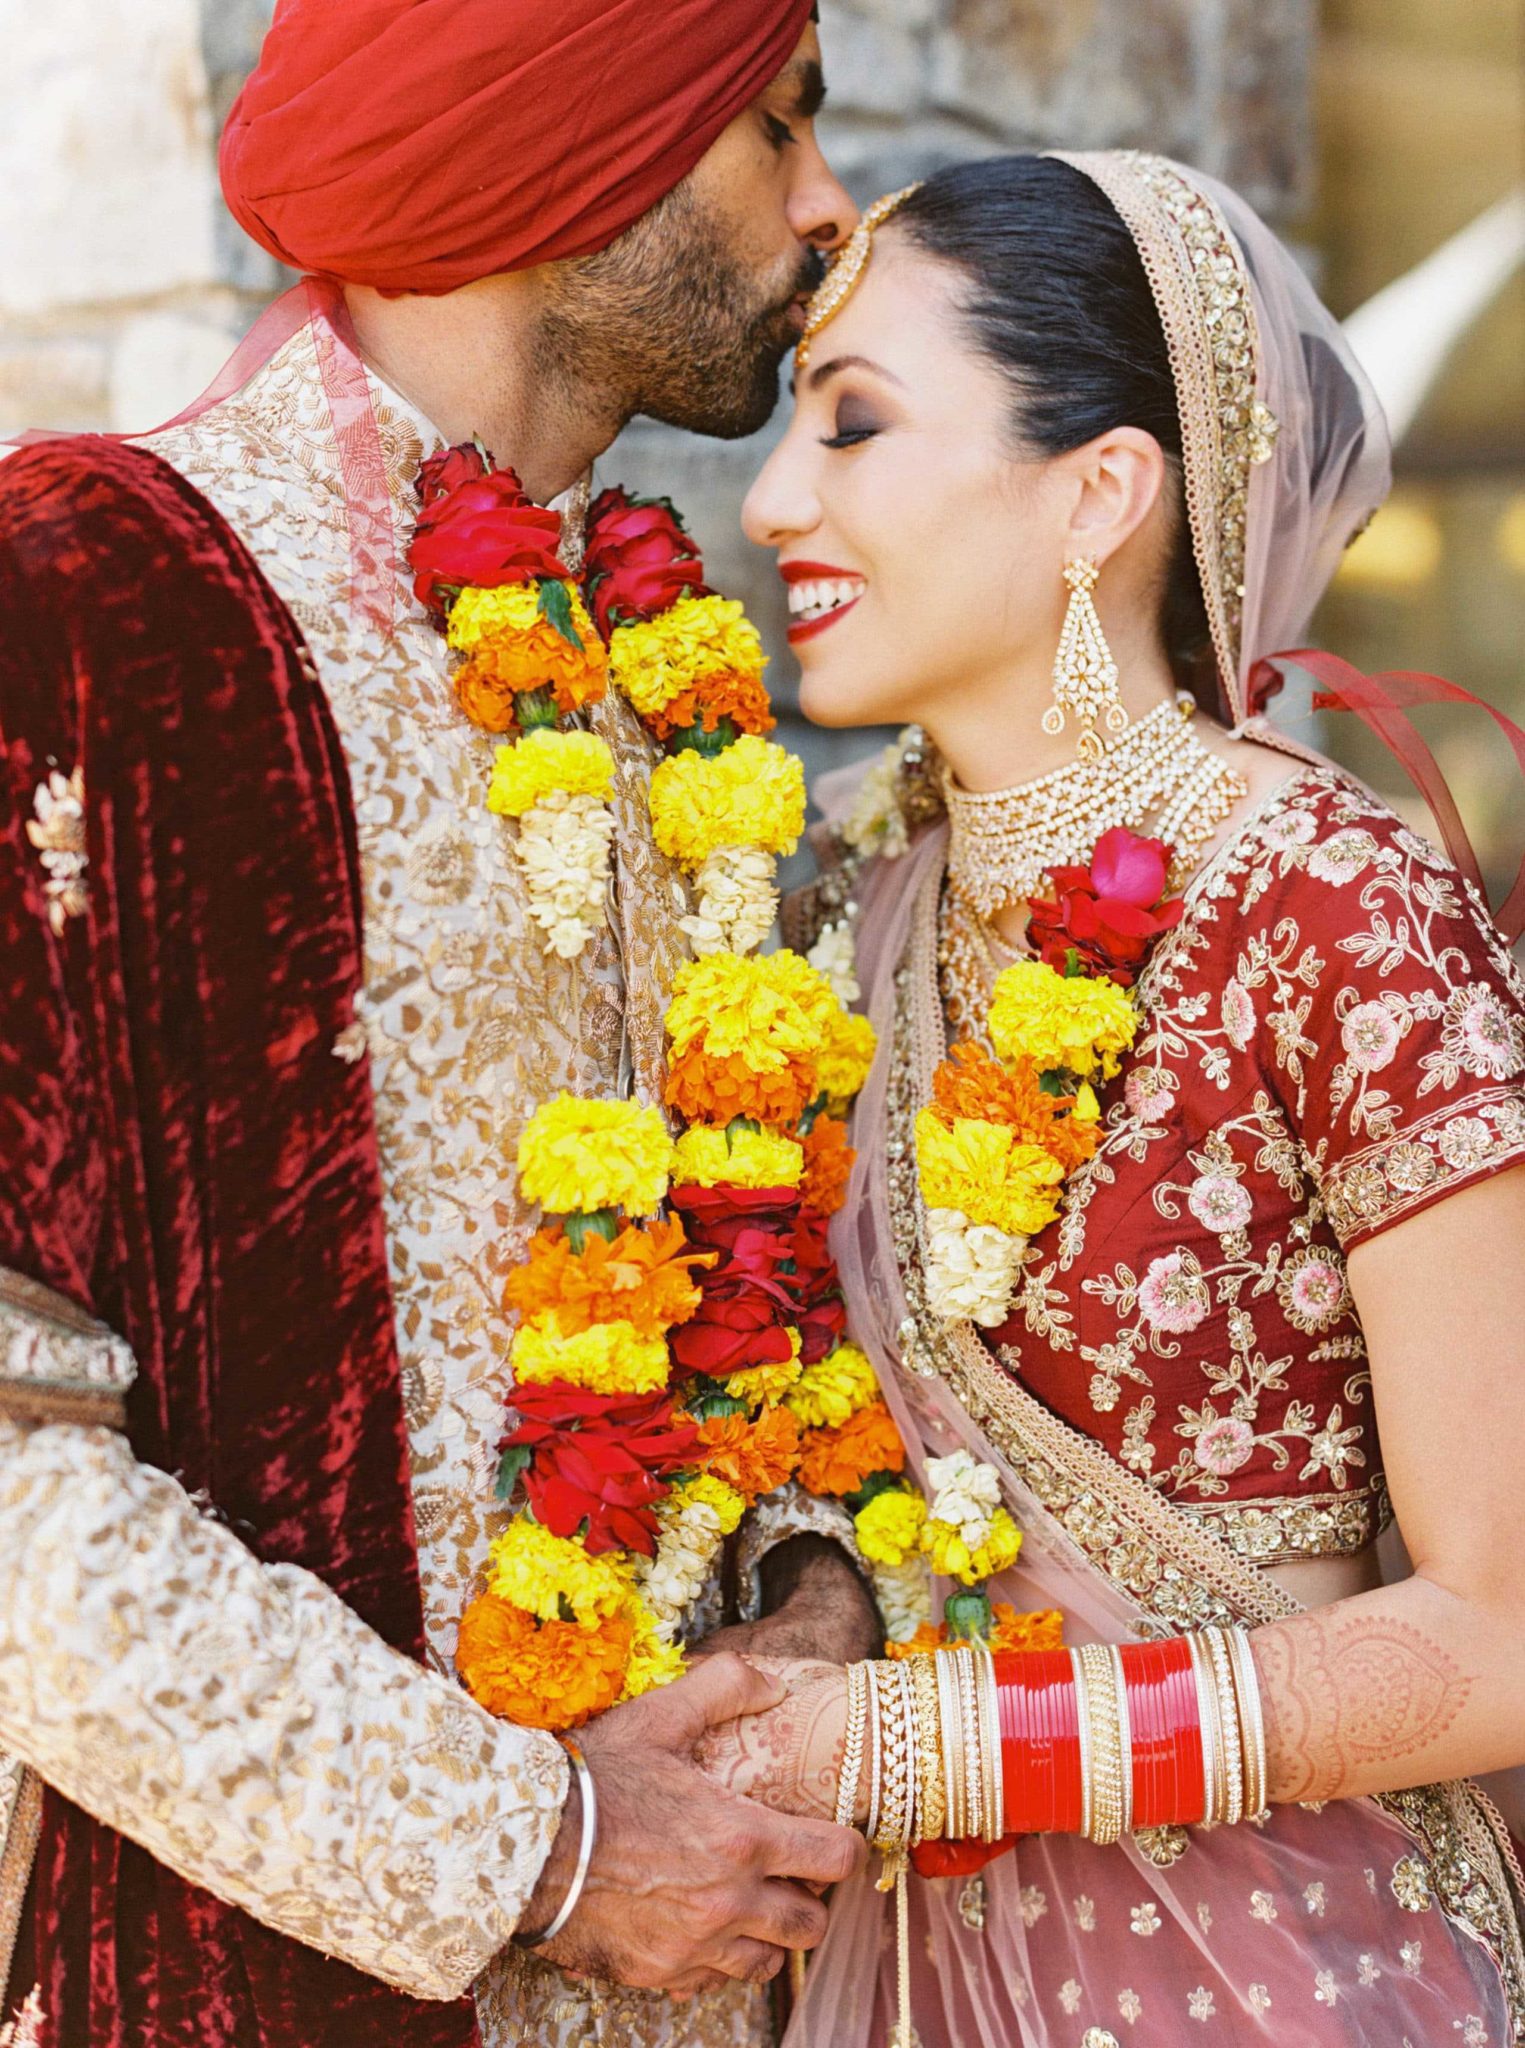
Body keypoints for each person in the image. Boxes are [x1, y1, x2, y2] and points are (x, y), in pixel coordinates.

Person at [0, 5, 879, 2045]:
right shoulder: (89, 593)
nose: (825, 211)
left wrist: (817, 1591)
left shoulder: (670, 680)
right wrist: (539, 1849)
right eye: (775, 127)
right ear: (578, 142)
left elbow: (750, 1298)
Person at [700, 151, 1525, 2044]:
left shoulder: (1331, 901)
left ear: (1097, 494)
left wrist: (931, 1745)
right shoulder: (834, 919)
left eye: (853, 426)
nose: (767, 501)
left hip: (1273, 1977)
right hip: (886, 1970)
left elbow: (1497, 1629)